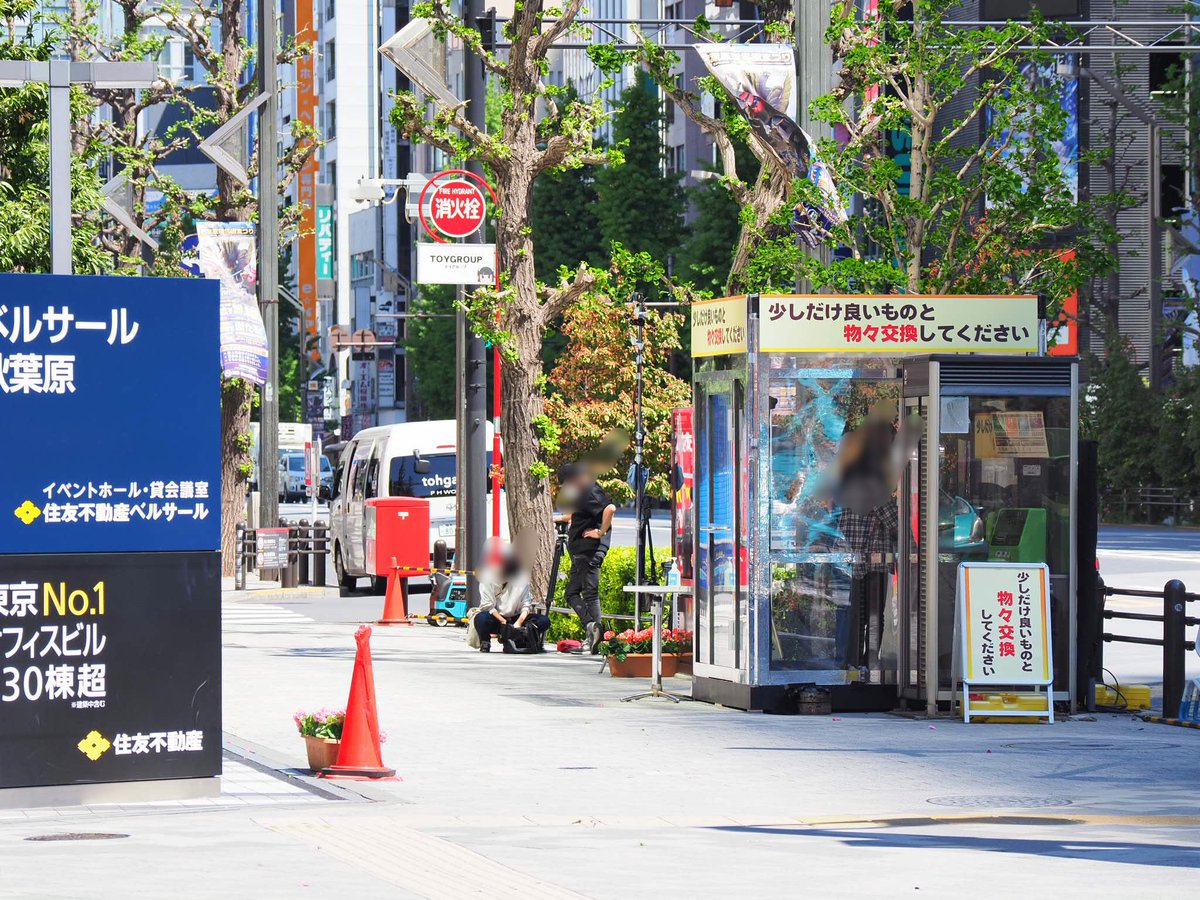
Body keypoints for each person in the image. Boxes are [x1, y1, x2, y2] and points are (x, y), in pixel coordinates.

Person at [555, 463, 616, 653]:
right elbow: (580, 515)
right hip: (582, 552)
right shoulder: (584, 492)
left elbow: (610, 508)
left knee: (587, 594)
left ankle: (595, 635)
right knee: (573, 593)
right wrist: (560, 519)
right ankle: (592, 629)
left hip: (589, 551)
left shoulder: (590, 490)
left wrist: (600, 531)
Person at [473, 545, 550, 653]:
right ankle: (485, 642)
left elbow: (526, 604)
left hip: (516, 617)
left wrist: (518, 623)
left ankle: (525, 639)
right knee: (480, 618)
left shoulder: (522, 578)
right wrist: (504, 622)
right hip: (496, 618)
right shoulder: (488, 577)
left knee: (544, 621)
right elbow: (488, 606)